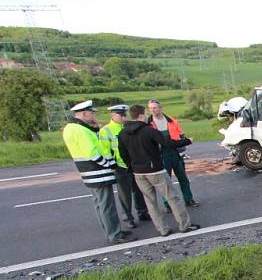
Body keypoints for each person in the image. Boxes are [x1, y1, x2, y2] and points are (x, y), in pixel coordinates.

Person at [118, 105, 201, 237]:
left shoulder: (122, 133)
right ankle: (184, 224)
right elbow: (168, 143)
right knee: (173, 198)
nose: (146, 116)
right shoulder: (148, 131)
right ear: (140, 116)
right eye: (145, 114)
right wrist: (187, 141)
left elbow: (123, 154)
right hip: (155, 170)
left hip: (138, 172)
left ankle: (162, 229)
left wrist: (132, 167)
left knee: (150, 202)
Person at [62, 100, 132, 244]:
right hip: (97, 172)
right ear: (84, 113)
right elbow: (92, 153)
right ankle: (115, 235)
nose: (93, 115)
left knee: (100, 204)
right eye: (91, 113)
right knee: (107, 205)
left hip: (89, 172)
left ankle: (111, 230)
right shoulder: (79, 129)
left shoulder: (72, 127)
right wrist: (107, 164)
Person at [98, 104, 149, 228]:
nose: (124, 117)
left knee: (139, 191)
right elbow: (104, 150)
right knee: (125, 194)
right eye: (121, 115)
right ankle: (128, 218)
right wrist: (113, 164)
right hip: (120, 166)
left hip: (134, 164)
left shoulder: (128, 126)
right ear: (113, 115)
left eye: (125, 115)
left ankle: (142, 212)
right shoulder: (106, 130)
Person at [147, 99, 198, 207]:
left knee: (183, 178)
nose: (153, 110)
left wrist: (183, 148)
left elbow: (181, 135)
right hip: (161, 154)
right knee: (165, 181)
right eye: (150, 108)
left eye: (155, 107)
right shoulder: (148, 123)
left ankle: (189, 199)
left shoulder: (171, 120)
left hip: (175, 152)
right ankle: (167, 204)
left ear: (160, 108)